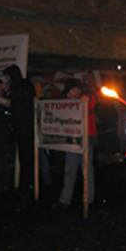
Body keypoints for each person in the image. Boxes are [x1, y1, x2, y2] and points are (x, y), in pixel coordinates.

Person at [53, 78, 97, 207]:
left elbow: (90, 103)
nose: (68, 95)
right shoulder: (69, 101)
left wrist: (86, 100)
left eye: (70, 92)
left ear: (77, 90)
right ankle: (65, 199)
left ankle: (88, 199)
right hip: (72, 139)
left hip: (86, 139)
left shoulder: (88, 98)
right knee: (69, 170)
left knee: (86, 170)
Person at [2, 64, 36, 192]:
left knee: (27, 157)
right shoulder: (18, 86)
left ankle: (28, 183)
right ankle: (26, 183)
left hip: (25, 127)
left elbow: (22, 106)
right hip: (21, 128)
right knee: (24, 157)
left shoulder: (22, 86)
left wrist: (9, 102)